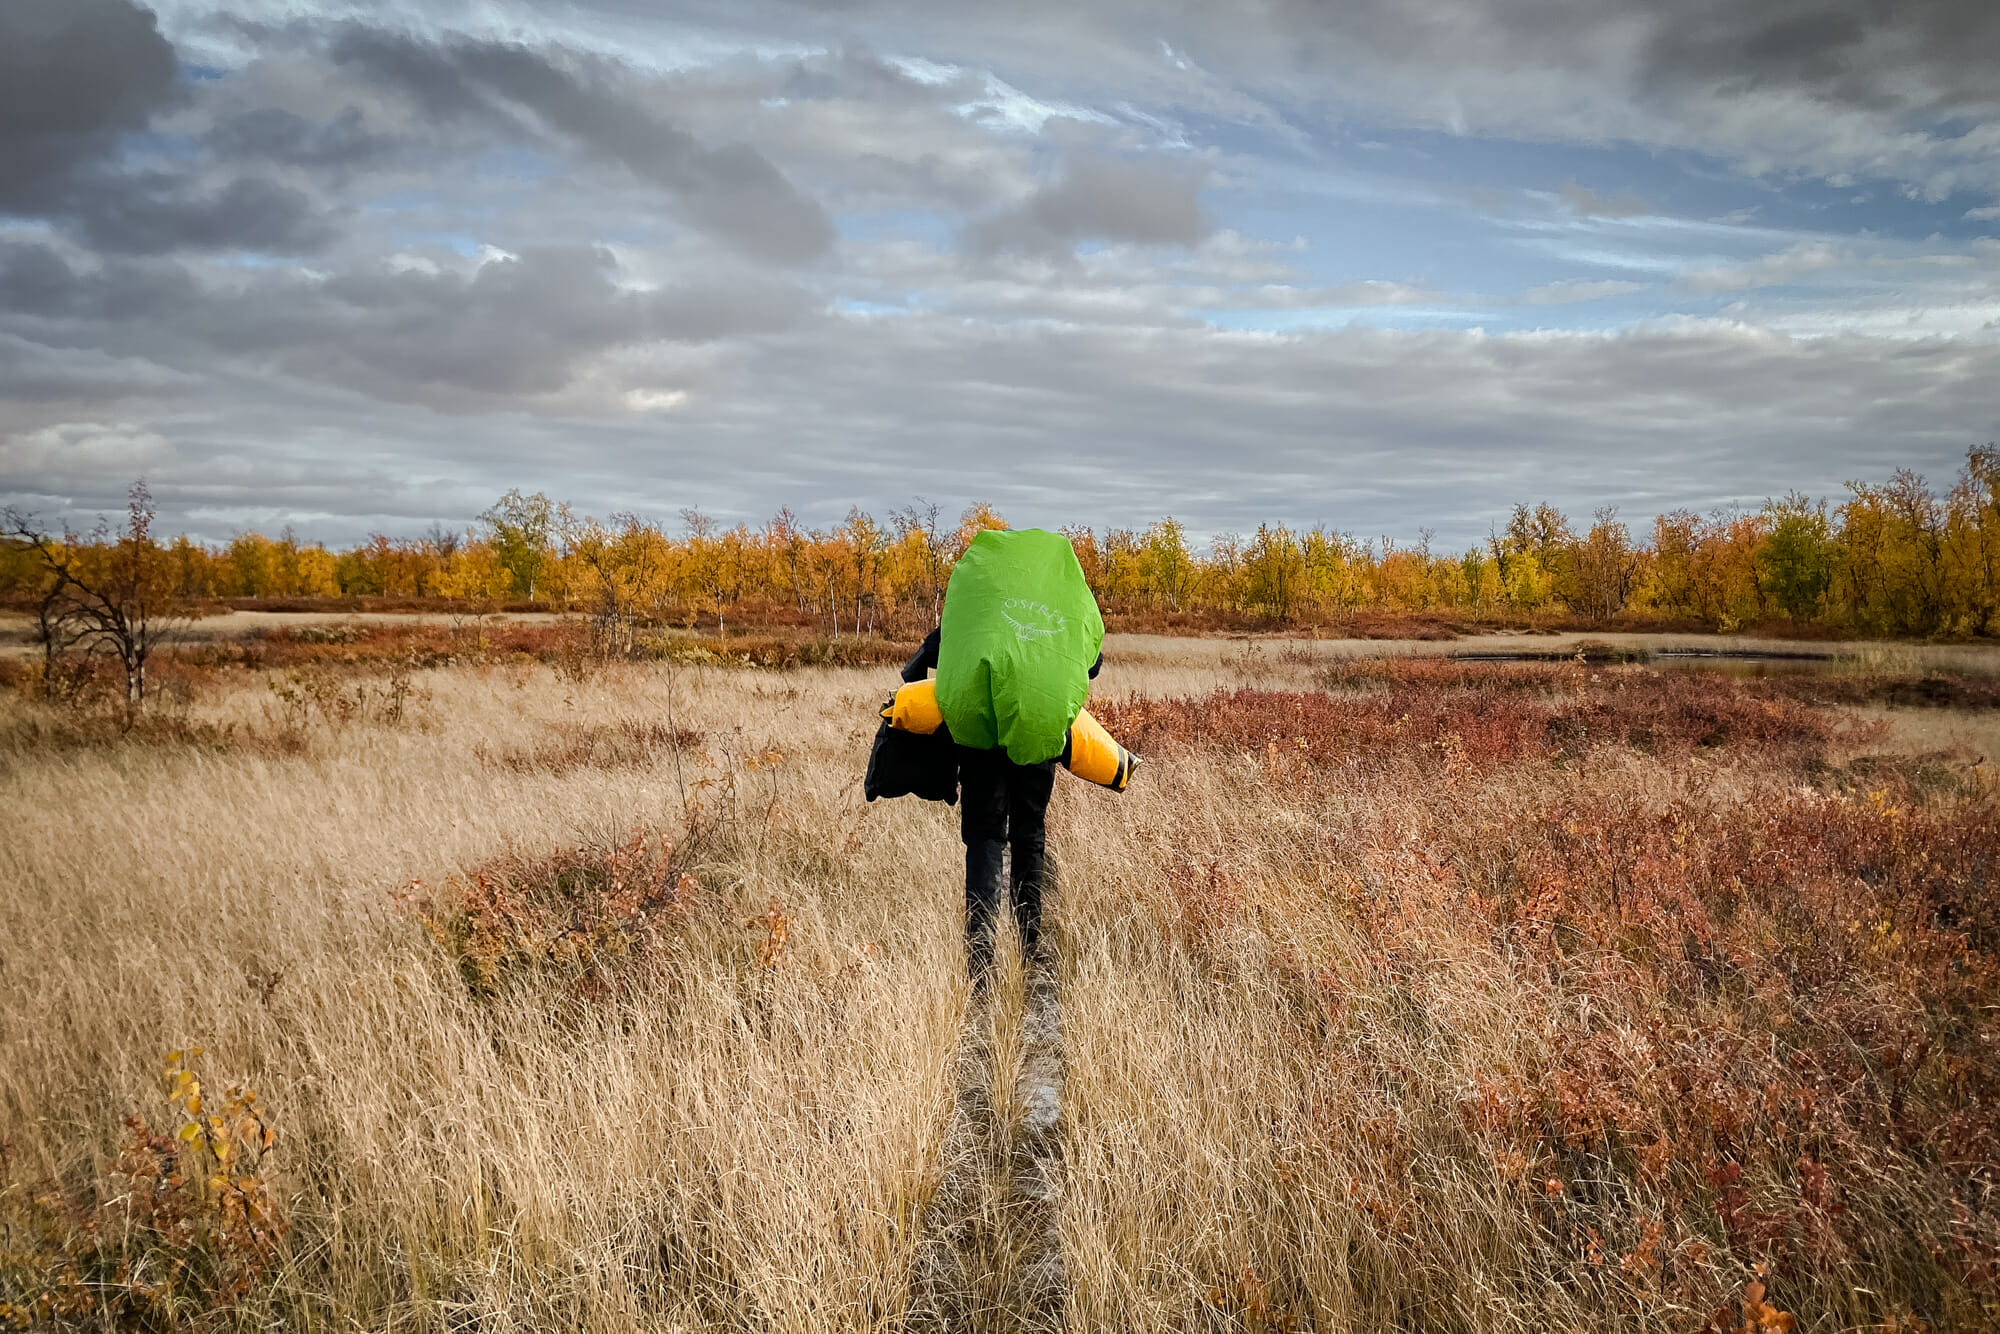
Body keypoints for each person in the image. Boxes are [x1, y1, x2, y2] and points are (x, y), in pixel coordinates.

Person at [891, 528, 1116, 980]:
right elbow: (1091, 662)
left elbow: (936, 651)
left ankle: (980, 951)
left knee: (984, 833)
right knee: (1029, 830)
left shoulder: (978, 611)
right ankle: (1030, 941)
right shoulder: (1061, 608)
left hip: (978, 730)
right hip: (1037, 726)